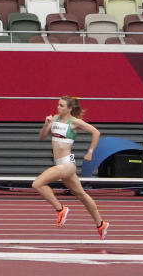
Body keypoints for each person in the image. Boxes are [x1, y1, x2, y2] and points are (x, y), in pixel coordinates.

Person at [32, 96, 109, 240]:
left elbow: (96, 132)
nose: (58, 108)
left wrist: (90, 152)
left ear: (69, 109)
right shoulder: (54, 118)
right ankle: (101, 224)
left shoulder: (74, 122)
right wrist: (46, 124)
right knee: (82, 195)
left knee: (37, 183)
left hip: (67, 164)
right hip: (60, 163)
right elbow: (42, 137)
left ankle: (61, 209)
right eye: (58, 105)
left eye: (61, 106)